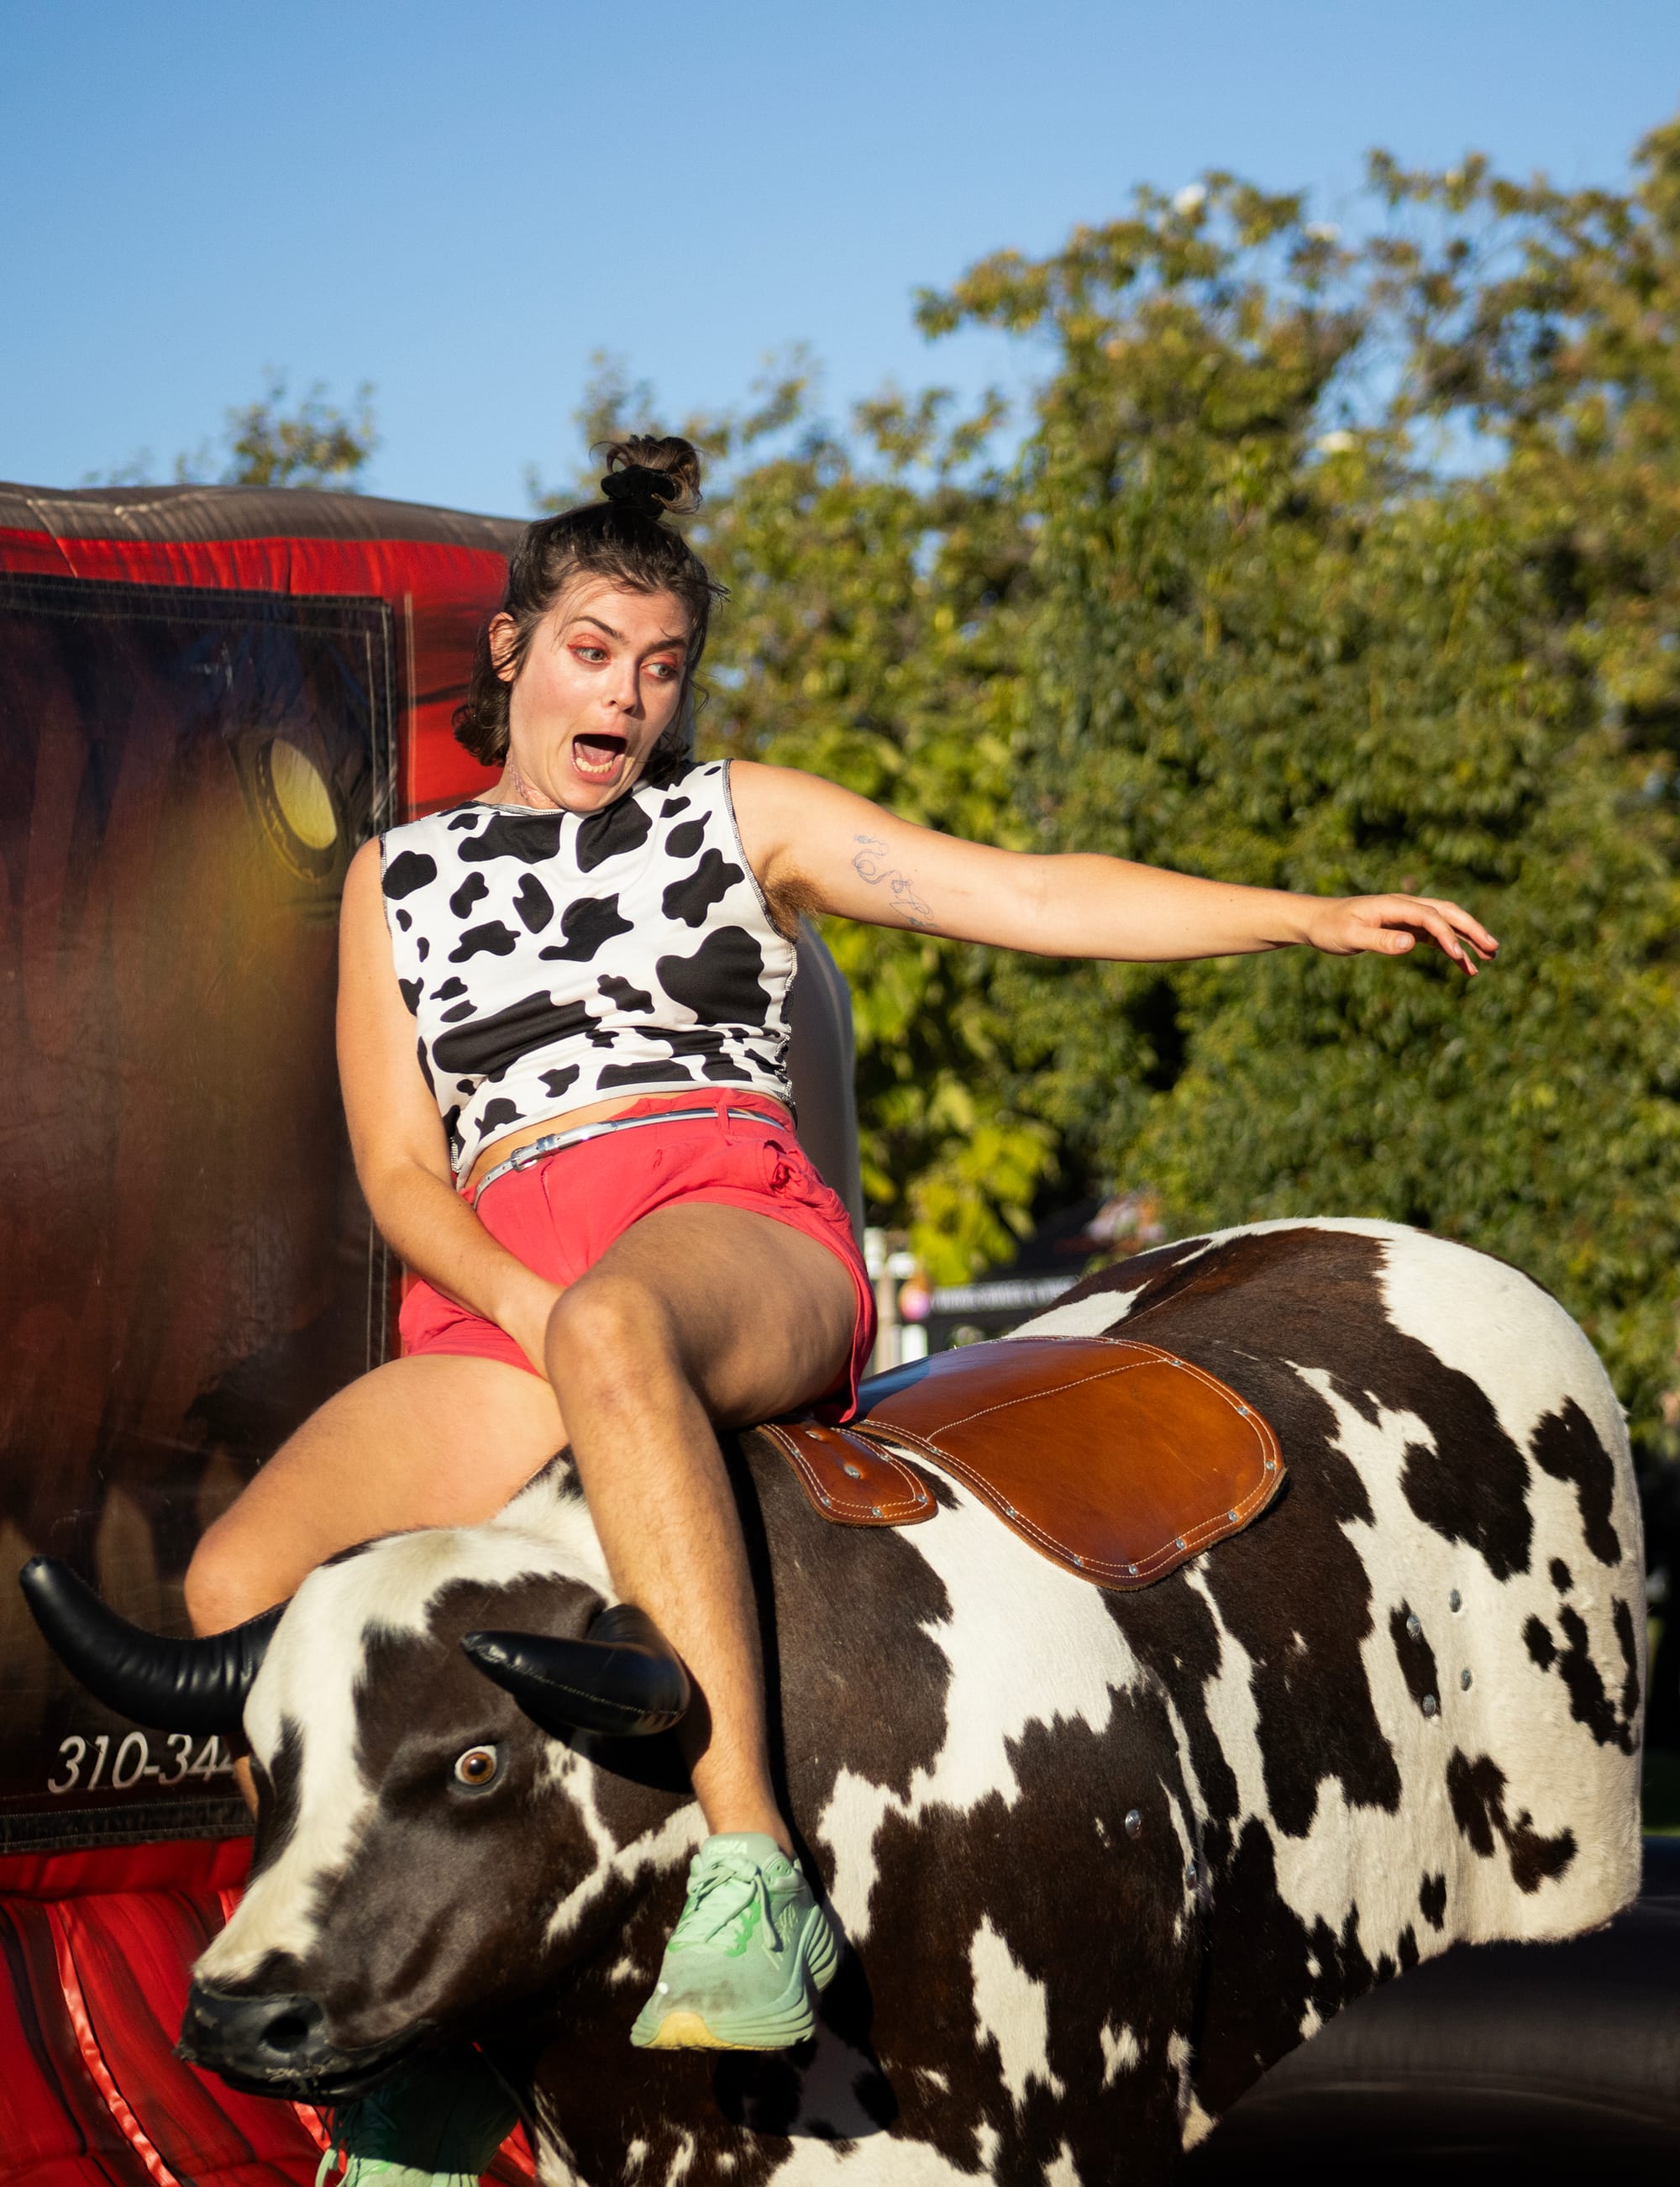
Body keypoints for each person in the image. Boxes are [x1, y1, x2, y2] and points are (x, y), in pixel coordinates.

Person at [186, 433, 1495, 2092]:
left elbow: (1025, 892)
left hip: (725, 1220)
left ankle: (749, 1876)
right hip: (506, 1286)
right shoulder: (398, 878)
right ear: (511, 649)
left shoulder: (742, 821)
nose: (628, 697)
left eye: (662, 670)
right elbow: (394, 1168)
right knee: (239, 1587)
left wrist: (1299, 913)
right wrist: (520, 1311)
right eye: (593, 653)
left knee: (611, 1327)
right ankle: (412, 2045)